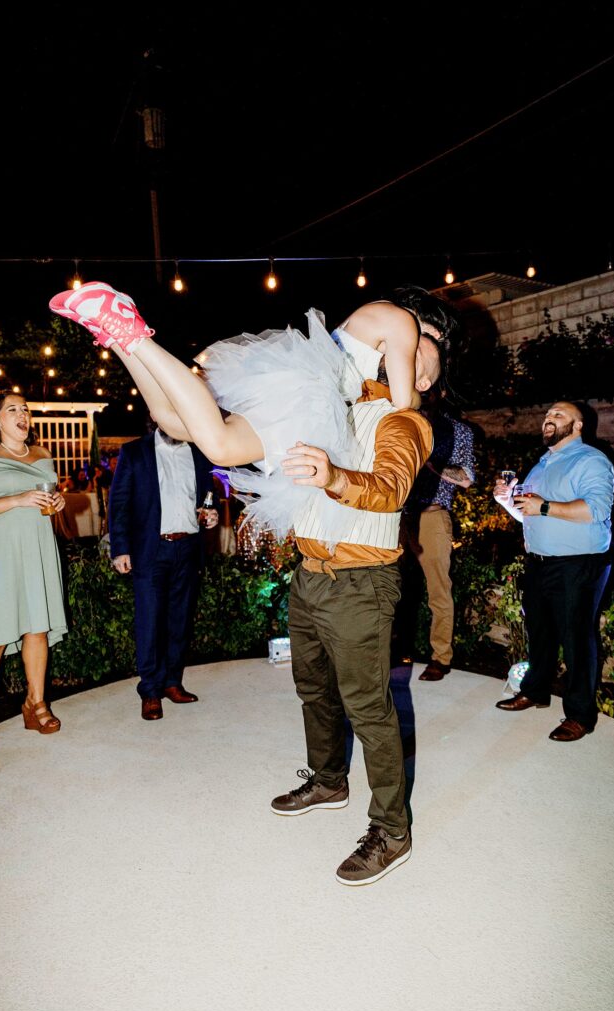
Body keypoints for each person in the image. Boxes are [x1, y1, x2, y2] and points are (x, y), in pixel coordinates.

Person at [50, 279, 461, 884]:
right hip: (312, 577)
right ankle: (327, 783)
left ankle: (391, 831)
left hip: (361, 584)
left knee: (369, 709)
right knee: (313, 692)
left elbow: (391, 490)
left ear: (427, 373)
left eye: (427, 351)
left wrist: (333, 477)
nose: (414, 350)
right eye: (415, 340)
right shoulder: (330, 403)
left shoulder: (406, 424)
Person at [48, 281, 456, 547]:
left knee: (173, 423)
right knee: (221, 446)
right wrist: (425, 396)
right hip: (308, 393)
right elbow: (402, 402)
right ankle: (131, 332)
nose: (421, 353)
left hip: (299, 384)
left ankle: (118, 336)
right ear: (426, 327)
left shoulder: (375, 317)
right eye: (431, 344)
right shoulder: (403, 323)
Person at [493, 400, 614, 742]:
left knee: (576, 639)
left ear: (578, 426)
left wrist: (543, 505)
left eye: (558, 415)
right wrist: (509, 501)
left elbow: (596, 509)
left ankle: (580, 715)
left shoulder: (591, 460)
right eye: (547, 414)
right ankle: (535, 690)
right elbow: (531, 515)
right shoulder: (542, 464)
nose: (549, 418)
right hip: (540, 562)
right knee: (540, 632)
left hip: (578, 563)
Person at [0, 390, 67, 766]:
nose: (23, 414)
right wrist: (16, 499)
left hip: (39, 548)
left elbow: (49, 498)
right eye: (13, 409)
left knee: (37, 630)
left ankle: (35, 702)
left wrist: (57, 502)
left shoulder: (42, 455)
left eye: (25, 409)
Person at [108, 414, 219, 721]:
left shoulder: (199, 453)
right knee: (150, 621)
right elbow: (118, 504)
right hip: (150, 550)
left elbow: (208, 497)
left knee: (179, 621)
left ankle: (172, 682)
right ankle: (150, 690)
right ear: (156, 418)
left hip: (188, 547)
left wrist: (211, 514)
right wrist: (120, 549)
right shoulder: (134, 451)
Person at [400, 390, 475, 680]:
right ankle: (396, 649)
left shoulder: (457, 430)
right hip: (397, 516)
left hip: (432, 515)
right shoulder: (401, 422)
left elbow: (467, 478)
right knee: (388, 588)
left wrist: (427, 460)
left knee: (438, 591)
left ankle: (440, 657)